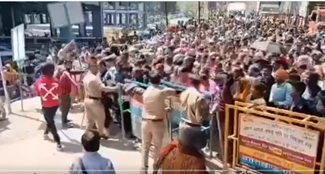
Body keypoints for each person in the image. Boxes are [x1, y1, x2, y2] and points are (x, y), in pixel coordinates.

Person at [141, 71, 177, 173]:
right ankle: (155, 169)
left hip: (145, 121)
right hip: (157, 122)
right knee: (157, 147)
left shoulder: (146, 91)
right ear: (159, 80)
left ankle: (143, 168)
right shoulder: (162, 91)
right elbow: (173, 91)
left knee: (145, 146)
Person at [83, 56, 120, 139]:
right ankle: (100, 134)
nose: (97, 69)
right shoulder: (95, 78)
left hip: (87, 99)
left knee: (90, 120)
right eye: (96, 67)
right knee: (100, 118)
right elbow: (103, 88)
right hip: (95, 101)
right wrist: (115, 89)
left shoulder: (86, 77)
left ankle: (85, 136)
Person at [34, 63, 62, 150]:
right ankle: (46, 132)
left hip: (45, 105)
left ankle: (58, 141)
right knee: (49, 120)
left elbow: (39, 94)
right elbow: (59, 93)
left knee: (50, 121)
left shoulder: (38, 83)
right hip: (55, 105)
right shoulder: (57, 81)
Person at [59, 59, 78, 128]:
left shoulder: (67, 71)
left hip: (66, 93)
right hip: (63, 93)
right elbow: (70, 79)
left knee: (67, 107)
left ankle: (65, 119)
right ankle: (64, 122)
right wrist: (76, 85)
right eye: (68, 64)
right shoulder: (65, 72)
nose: (70, 65)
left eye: (70, 64)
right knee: (64, 108)